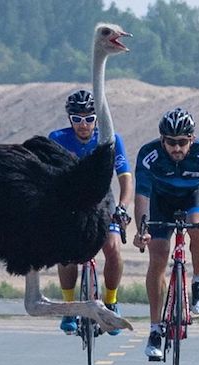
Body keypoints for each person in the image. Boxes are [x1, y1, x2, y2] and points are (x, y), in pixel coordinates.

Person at [132, 107, 199, 359]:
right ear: (162, 140)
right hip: (160, 201)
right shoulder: (148, 154)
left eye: (182, 142)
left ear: (191, 140)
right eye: (171, 143)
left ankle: (198, 281)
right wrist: (141, 230)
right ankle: (154, 329)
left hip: (192, 197)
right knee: (159, 255)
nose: (176, 148)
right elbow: (141, 196)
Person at [48, 89, 134, 336]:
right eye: (77, 119)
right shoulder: (57, 138)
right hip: (71, 198)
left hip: (102, 198)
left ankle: (111, 301)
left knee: (112, 247)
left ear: (98, 118)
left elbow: (126, 180)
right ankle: (68, 307)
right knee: (67, 252)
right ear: (70, 119)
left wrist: (122, 208)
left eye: (89, 118)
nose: (83, 125)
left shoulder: (110, 138)